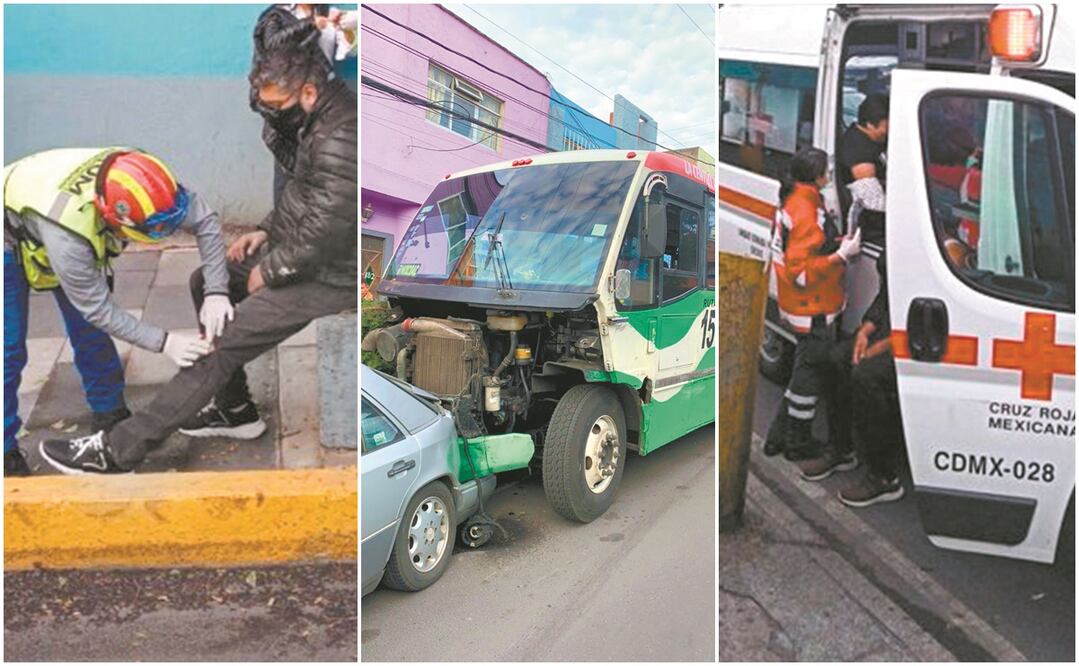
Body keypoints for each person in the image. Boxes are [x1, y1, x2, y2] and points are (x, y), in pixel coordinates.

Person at [40, 20, 357, 474]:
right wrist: (266, 230)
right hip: (308, 254)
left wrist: (272, 269)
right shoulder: (317, 120)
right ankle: (235, 410)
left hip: (332, 274)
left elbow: (327, 229)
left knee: (221, 345)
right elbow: (309, 195)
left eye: (278, 107)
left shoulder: (340, 136)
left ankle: (118, 451)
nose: (272, 117)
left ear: (308, 92)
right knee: (207, 284)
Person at [4, 149, 231, 476]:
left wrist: (217, 291)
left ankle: (109, 412)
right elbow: (97, 309)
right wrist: (165, 343)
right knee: (8, 348)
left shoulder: (149, 186)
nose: (162, 234)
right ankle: (5, 452)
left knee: (88, 332)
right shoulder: (70, 235)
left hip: (46, 214)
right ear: (111, 216)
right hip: (9, 231)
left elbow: (206, 221)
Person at [764, 147, 861, 461]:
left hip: (801, 306)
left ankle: (778, 436)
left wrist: (833, 245)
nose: (830, 175)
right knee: (808, 381)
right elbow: (803, 273)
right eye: (827, 170)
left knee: (803, 372)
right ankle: (796, 443)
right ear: (819, 176)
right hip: (813, 307)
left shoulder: (796, 200)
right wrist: (841, 256)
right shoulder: (806, 209)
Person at [805, 255, 906, 506]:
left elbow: (931, 317)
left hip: (919, 339)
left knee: (867, 375)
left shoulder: (943, 244)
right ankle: (841, 449)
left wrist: (882, 346)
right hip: (890, 331)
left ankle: (884, 476)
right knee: (837, 358)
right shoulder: (898, 232)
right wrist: (866, 330)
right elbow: (887, 294)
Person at [838, 94, 889, 246]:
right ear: (869, 125)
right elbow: (874, 202)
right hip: (871, 221)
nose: (889, 131)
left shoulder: (876, 138)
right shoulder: (858, 151)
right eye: (886, 127)